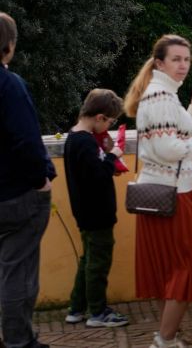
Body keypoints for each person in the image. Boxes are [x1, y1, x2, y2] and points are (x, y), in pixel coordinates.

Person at [124, 34, 192, 348]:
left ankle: (166, 338)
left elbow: (174, 132)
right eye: (176, 59)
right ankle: (163, 340)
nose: (183, 65)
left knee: (166, 272)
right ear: (160, 62)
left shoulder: (162, 94)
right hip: (171, 195)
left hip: (160, 194)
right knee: (187, 269)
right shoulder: (160, 96)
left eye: (186, 59)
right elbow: (169, 147)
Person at [0, 12, 55, 348]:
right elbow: (27, 142)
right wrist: (41, 181)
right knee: (17, 274)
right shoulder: (10, 86)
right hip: (16, 196)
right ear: (9, 47)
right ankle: (20, 342)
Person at [62, 89, 129, 328]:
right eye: (109, 121)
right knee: (98, 262)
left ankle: (76, 308)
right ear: (99, 117)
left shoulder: (75, 137)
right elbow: (98, 175)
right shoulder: (85, 143)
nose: (109, 126)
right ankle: (98, 312)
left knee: (87, 259)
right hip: (97, 213)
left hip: (85, 212)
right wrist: (112, 156)